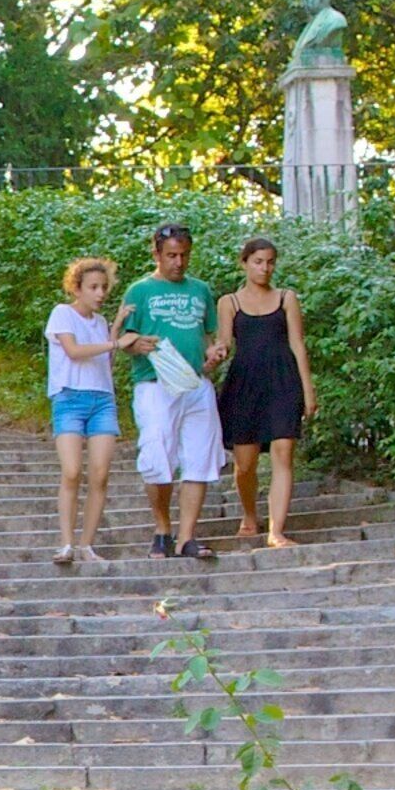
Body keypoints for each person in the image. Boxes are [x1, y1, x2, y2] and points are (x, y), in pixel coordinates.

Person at [119, 223, 226, 560]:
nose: (178, 263)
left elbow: (212, 337)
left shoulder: (200, 290)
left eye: (184, 256)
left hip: (195, 383)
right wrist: (136, 343)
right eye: (171, 256)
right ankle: (162, 528)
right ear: (157, 254)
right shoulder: (140, 291)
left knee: (199, 458)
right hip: (155, 384)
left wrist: (216, 353)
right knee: (157, 457)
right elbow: (120, 339)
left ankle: (187, 536)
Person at [211, 235, 319, 550]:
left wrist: (308, 389)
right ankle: (248, 515)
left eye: (270, 262)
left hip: (283, 380)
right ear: (244, 263)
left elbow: (298, 344)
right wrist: (214, 353)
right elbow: (226, 343)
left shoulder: (287, 298)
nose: (265, 268)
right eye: (258, 262)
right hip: (244, 382)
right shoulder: (228, 302)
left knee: (284, 452)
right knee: (245, 464)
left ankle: (277, 530)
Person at [44, 257, 136, 567]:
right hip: (69, 398)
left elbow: (105, 365)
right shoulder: (62, 314)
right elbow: (74, 352)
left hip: (102, 400)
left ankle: (87, 545)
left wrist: (115, 328)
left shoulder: (100, 323)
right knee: (72, 471)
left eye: (104, 288)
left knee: (100, 474)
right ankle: (67, 542)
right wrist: (115, 343)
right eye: (93, 287)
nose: (100, 294)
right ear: (77, 288)